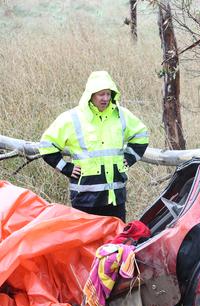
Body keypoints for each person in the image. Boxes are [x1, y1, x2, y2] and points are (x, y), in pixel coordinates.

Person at [39, 71, 149, 222]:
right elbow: (46, 145)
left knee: (116, 242)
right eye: (101, 94)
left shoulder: (121, 115)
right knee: (87, 243)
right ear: (90, 95)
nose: (105, 98)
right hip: (85, 198)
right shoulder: (72, 118)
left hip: (115, 197)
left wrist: (129, 158)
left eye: (109, 94)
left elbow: (141, 135)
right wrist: (66, 168)